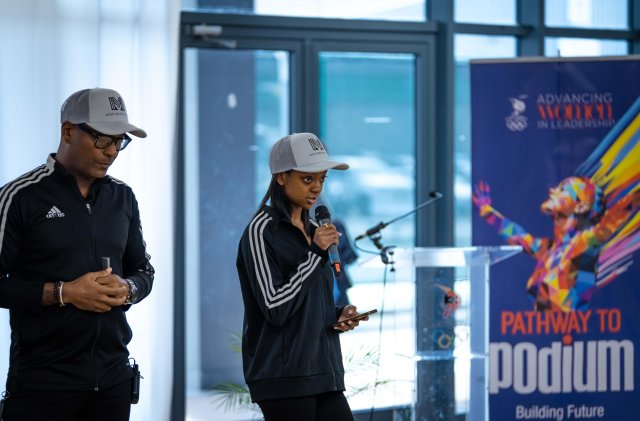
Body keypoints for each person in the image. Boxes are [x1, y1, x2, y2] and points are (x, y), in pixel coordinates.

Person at [0, 87, 154, 420]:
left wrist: (128, 289)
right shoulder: (20, 197)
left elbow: (144, 272)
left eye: (119, 141)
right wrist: (63, 293)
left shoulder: (123, 198)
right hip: (43, 385)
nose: (111, 151)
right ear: (68, 131)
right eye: (102, 139)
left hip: (113, 381)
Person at [236, 132, 369, 421]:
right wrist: (315, 253)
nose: (317, 187)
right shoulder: (261, 231)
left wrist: (336, 314)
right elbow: (275, 306)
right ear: (281, 177)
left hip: (322, 372)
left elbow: (305, 301)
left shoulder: (313, 229)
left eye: (322, 178)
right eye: (307, 179)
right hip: (284, 379)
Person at [473, 177, 639, 312]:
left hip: (572, 340)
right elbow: (517, 236)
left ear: (581, 206)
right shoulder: (549, 249)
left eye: (562, 189)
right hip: (542, 339)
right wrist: (485, 209)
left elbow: (615, 216)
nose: (552, 190)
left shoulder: (584, 245)